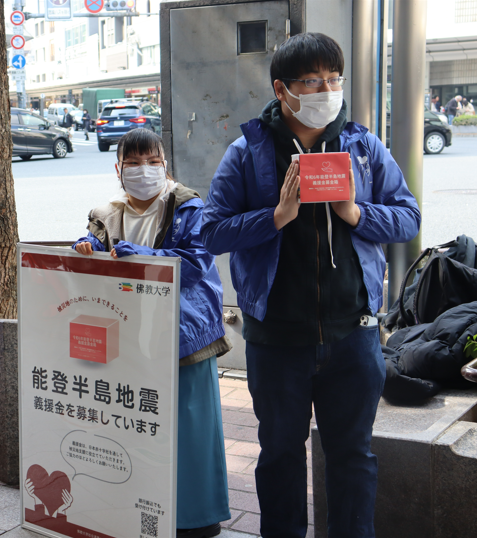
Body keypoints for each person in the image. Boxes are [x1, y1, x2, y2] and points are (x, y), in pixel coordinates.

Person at [202, 33, 420, 538]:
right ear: (283, 89)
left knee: (353, 456)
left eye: (334, 78)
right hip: (277, 338)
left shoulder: (362, 147)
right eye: (313, 80)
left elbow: (408, 218)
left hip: (354, 336)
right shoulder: (249, 150)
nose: (327, 89)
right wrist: (274, 218)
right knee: (279, 454)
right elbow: (211, 231)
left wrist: (355, 213)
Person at [74, 128, 232, 538]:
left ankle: (197, 518)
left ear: (166, 165)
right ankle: (141, 508)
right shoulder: (107, 212)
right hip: (129, 337)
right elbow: (94, 250)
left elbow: (198, 263)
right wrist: (85, 247)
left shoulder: (187, 206)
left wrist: (144, 255)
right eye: (133, 162)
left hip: (185, 333)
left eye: (153, 161)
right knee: (137, 423)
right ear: (118, 168)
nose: (144, 170)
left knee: (191, 425)